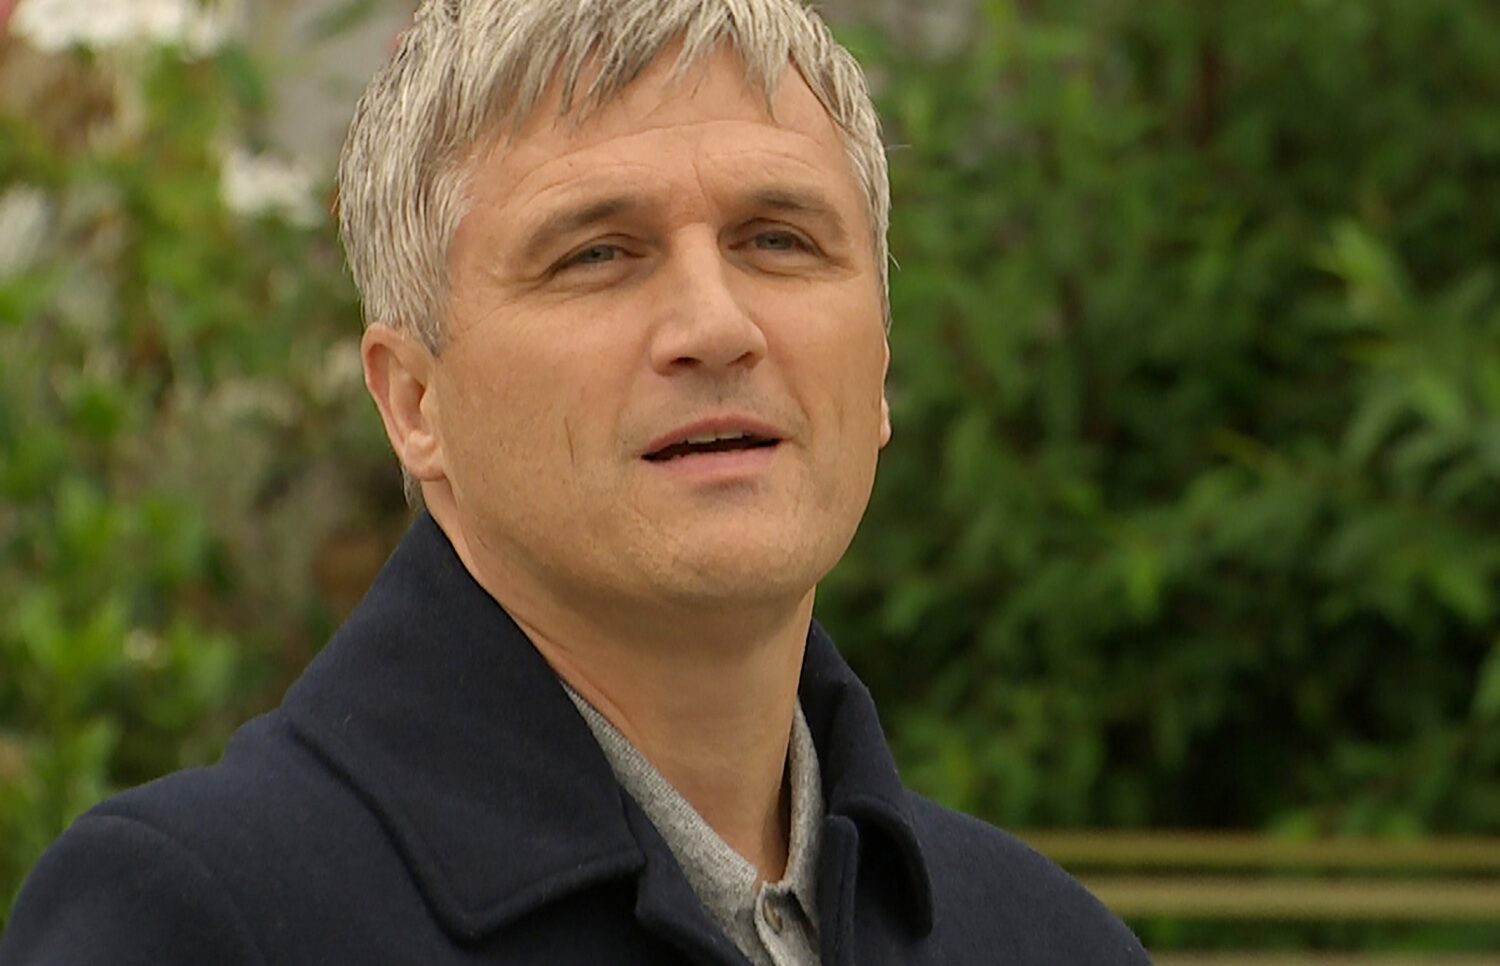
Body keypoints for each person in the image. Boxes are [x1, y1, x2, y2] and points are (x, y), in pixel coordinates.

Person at [0, 1, 1149, 962]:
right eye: (597, 254)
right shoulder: (195, 925)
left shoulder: (1050, 943)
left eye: (778, 239)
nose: (716, 325)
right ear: (414, 403)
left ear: (880, 367)